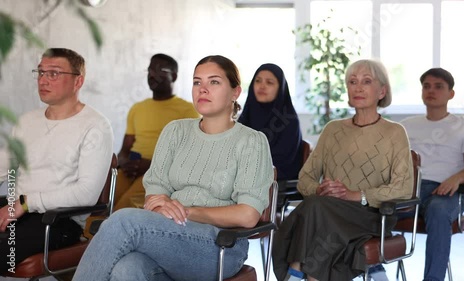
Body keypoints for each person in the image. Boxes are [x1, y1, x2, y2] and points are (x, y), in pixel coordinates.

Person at [72, 55, 274, 281]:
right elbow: (156, 188)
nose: (202, 89)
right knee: (127, 268)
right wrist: (159, 206)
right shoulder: (175, 131)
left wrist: (187, 211)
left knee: (123, 221)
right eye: (197, 82)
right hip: (169, 238)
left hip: (220, 247)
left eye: (214, 82)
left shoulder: (251, 141)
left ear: (235, 92)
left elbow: (248, 215)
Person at [272, 59, 414, 281]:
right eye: (352, 81)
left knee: (317, 210)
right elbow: (305, 178)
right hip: (325, 212)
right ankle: (309, 275)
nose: (358, 87)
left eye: (366, 81)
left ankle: (295, 269)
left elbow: (403, 188)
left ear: (382, 91)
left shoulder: (395, 132)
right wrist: (320, 190)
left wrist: (354, 195)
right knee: (319, 208)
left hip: (371, 215)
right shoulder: (333, 129)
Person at [0, 48, 113, 273]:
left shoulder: (95, 127)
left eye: (53, 73)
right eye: (40, 72)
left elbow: (86, 194)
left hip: (58, 220)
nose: (43, 80)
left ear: (78, 81)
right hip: (16, 209)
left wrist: (24, 203)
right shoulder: (27, 121)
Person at [369, 67, 464, 281]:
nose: (431, 91)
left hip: (447, 192)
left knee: (438, 210)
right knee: (371, 207)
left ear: (451, 93)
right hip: (407, 190)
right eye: (426, 86)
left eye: (439, 87)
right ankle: (375, 270)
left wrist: (456, 178)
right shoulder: (405, 127)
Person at [113, 54, 199, 210]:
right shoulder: (137, 108)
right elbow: (124, 150)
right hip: (130, 169)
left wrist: (150, 165)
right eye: (150, 70)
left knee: (123, 206)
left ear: (173, 76)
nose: (152, 74)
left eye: (160, 70)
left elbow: (188, 156)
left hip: (159, 173)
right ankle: (90, 234)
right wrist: (126, 163)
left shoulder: (188, 110)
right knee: (105, 202)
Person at [238, 63, 302, 181]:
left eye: (269, 82)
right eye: (258, 81)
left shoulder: (288, 119)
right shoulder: (246, 116)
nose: (262, 86)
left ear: (280, 88)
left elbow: (282, 161)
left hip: (276, 184)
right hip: (242, 179)